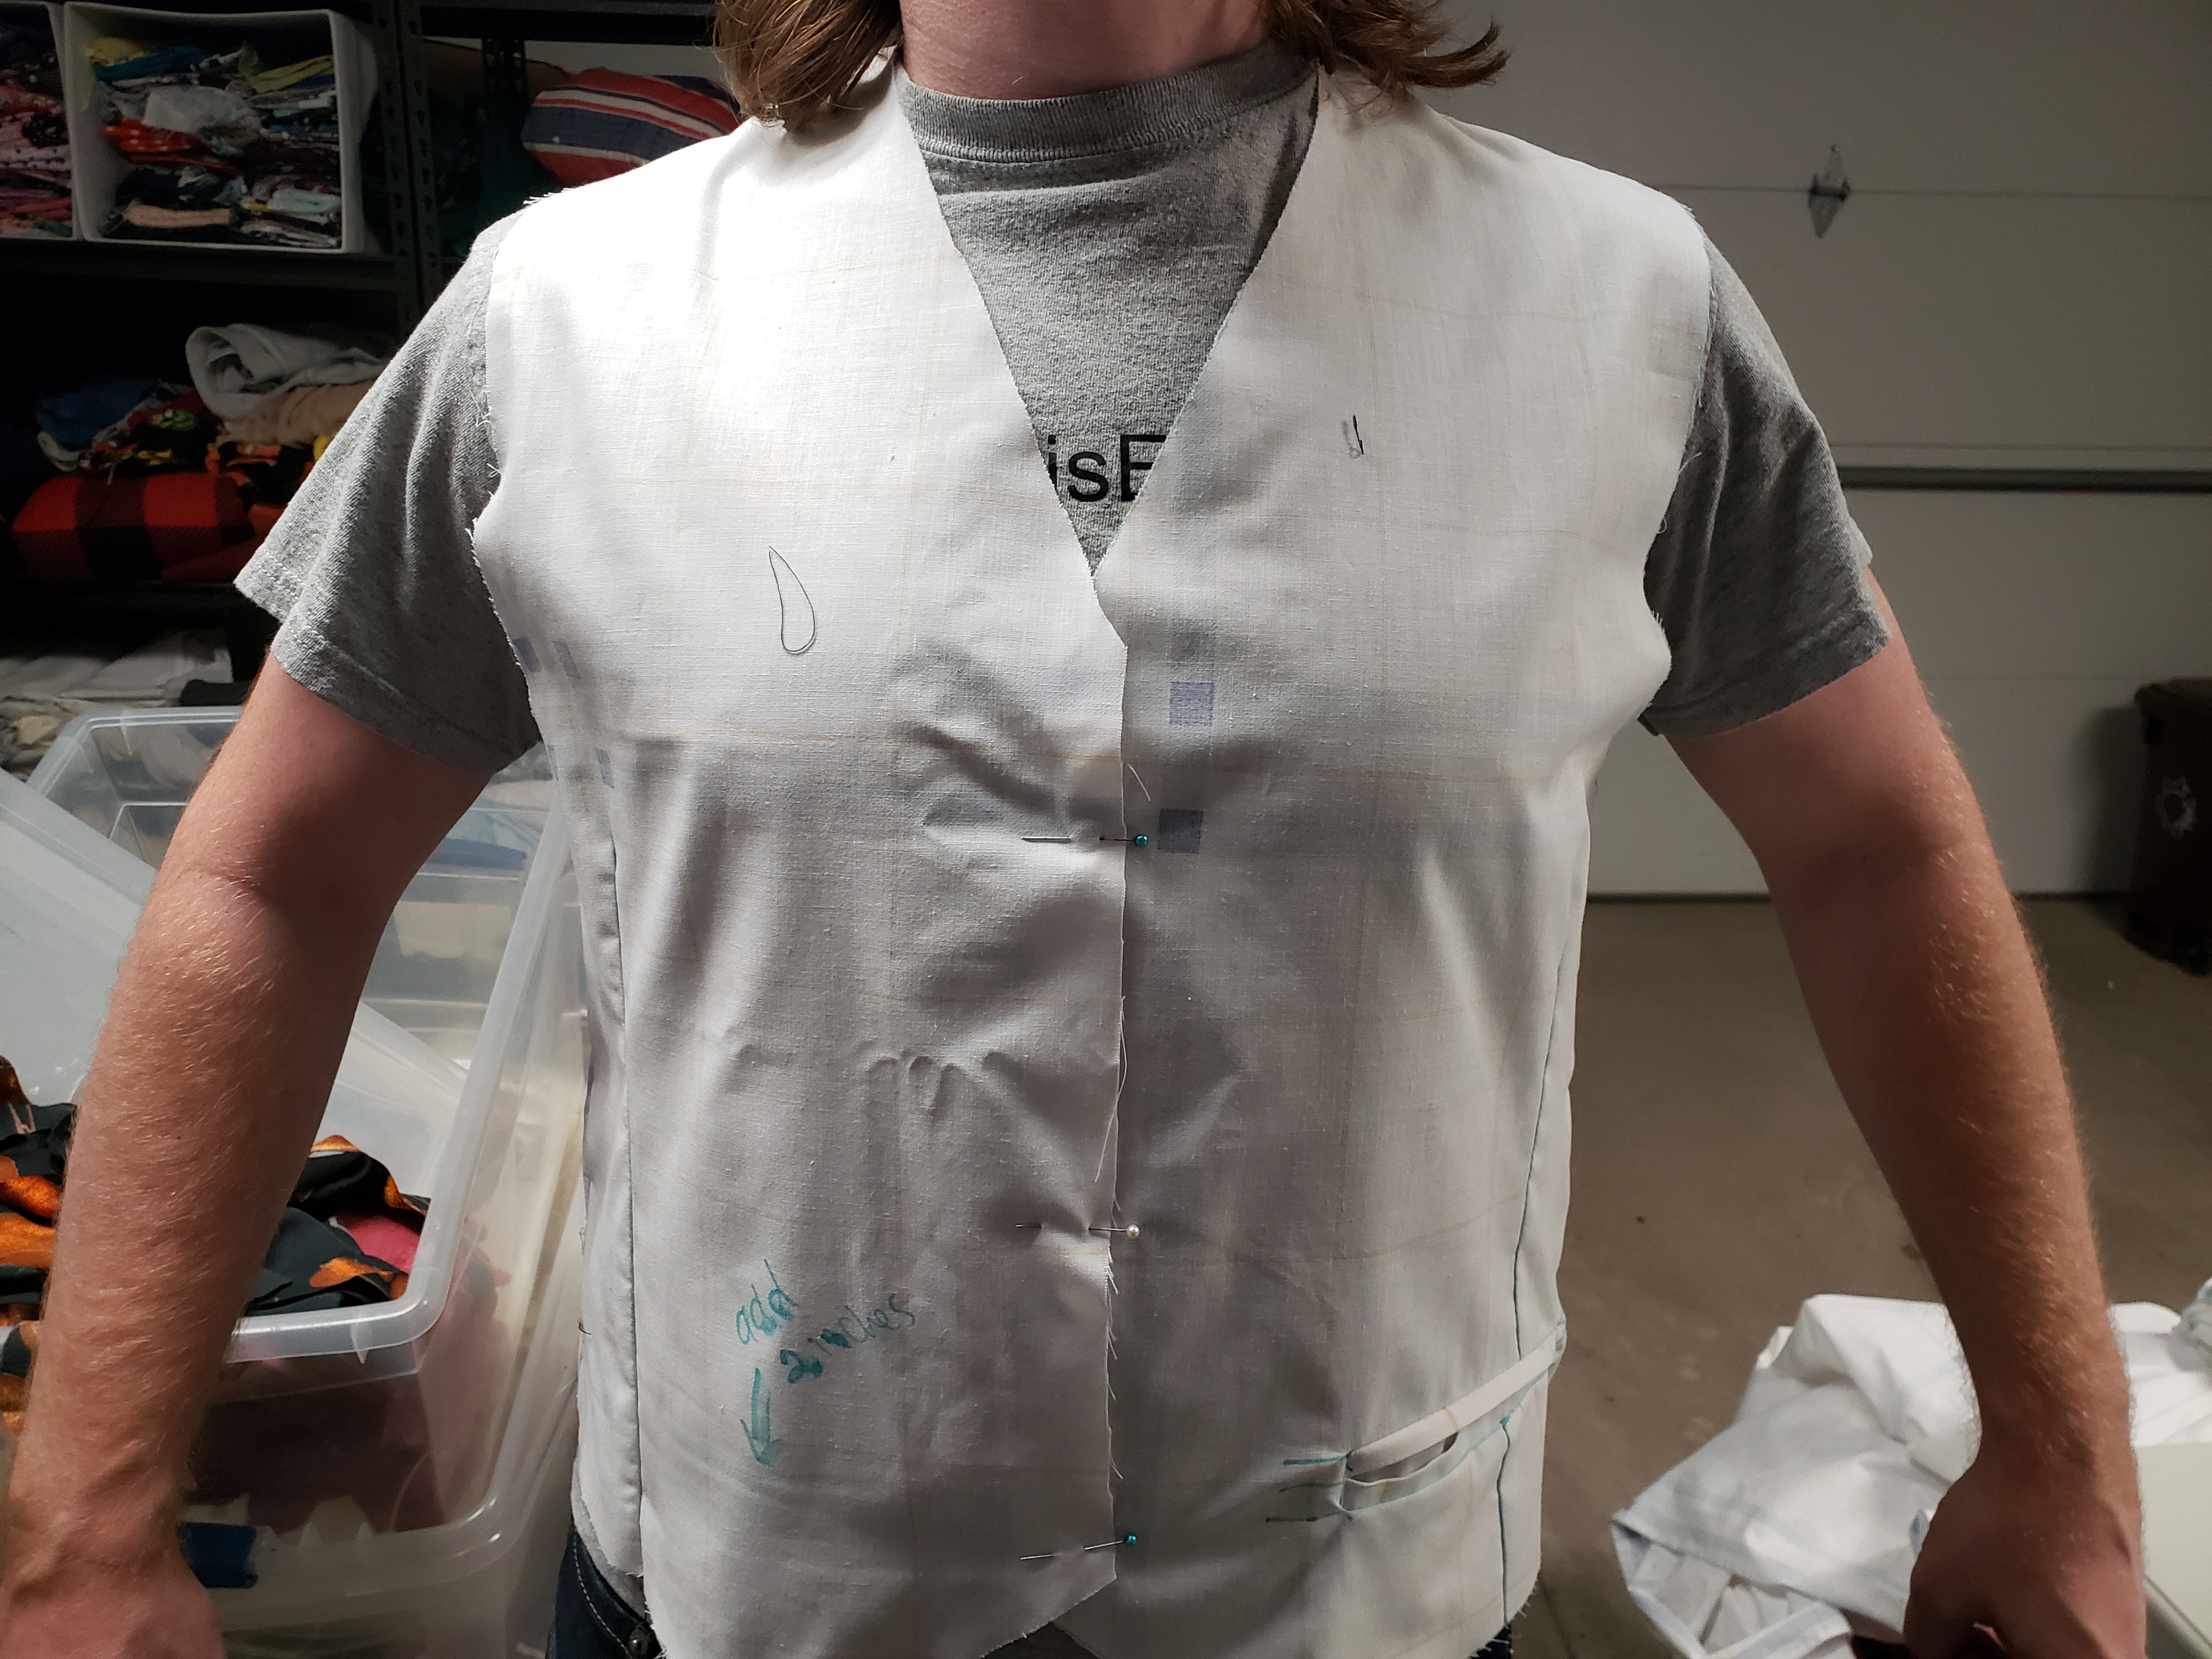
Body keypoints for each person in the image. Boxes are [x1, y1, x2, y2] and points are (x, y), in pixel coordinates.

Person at [0, 2, 2146, 1656]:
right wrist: (91, 1512)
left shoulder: (1617, 308)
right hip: (764, 1581)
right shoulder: (561, 316)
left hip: (1360, 1586)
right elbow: (273, 876)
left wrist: (2064, 1455)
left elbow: (1882, 853)